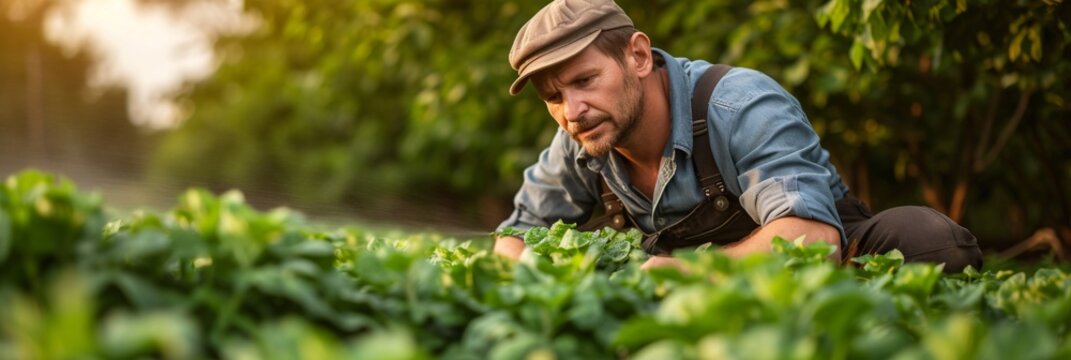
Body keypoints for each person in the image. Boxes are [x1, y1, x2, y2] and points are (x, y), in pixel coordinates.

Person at [494, 0, 983, 272]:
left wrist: (694, 274)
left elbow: (812, 240)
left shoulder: (739, 105)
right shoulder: (583, 135)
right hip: (690, 309)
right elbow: (516, 233)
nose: (571, 111)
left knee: (931, 243)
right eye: (553, 96)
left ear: (638, 57)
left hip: (814, 274)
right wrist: (530, 271)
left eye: (584, 80)